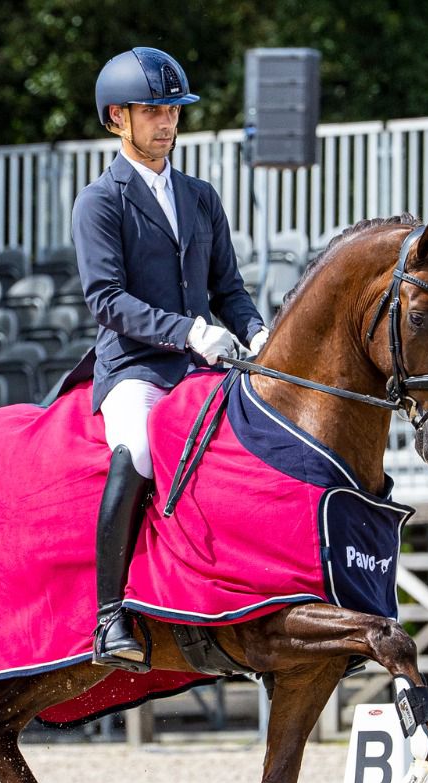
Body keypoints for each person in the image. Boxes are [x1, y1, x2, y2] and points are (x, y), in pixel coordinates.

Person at [74, 46, 267, 672]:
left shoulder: (200, 196)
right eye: (151, 111)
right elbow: (106, 299)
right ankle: (110, 617)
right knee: (138, 451)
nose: (166, 122)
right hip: (136, 368)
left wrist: (256, 331)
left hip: (203, 363)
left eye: (172, 111)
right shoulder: (100, 202)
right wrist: (186, 332)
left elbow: (228, 288)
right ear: (116, 119)